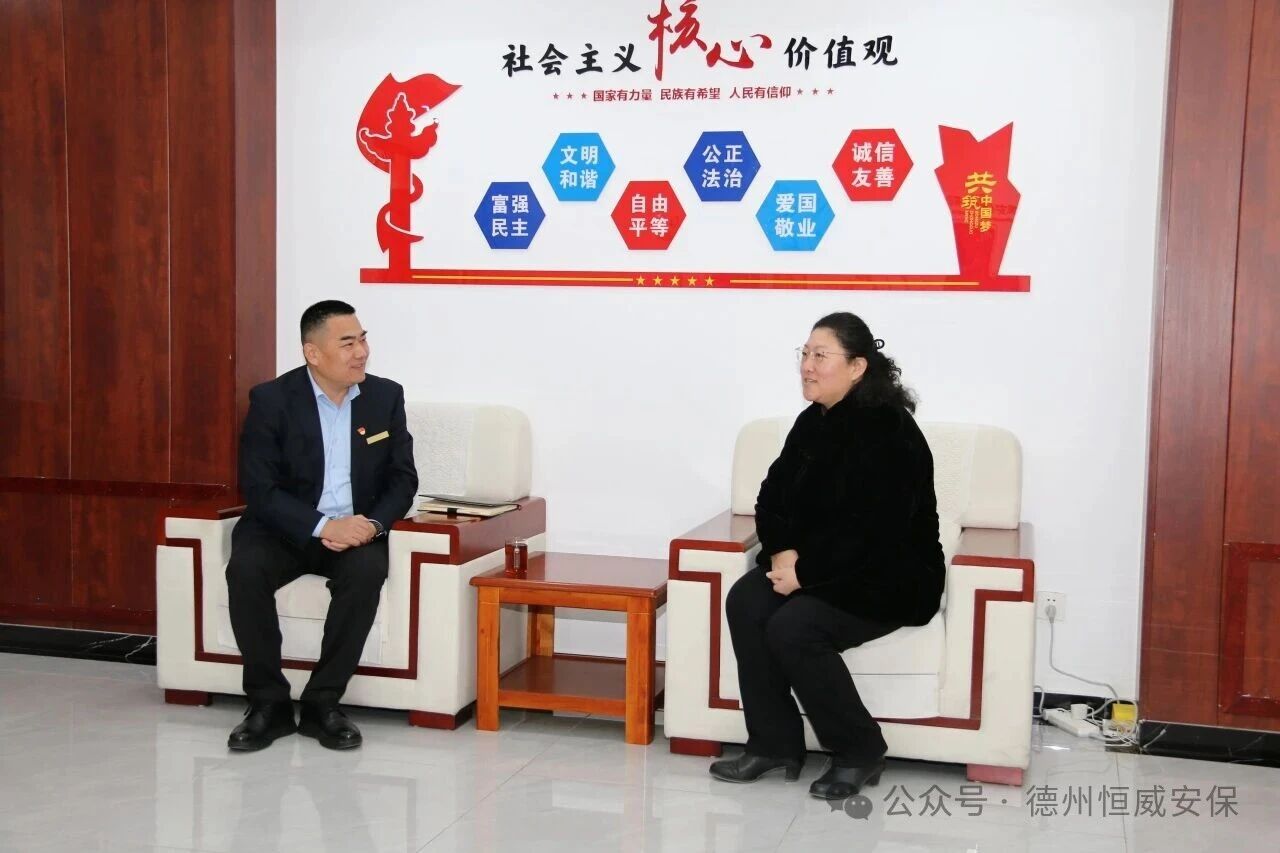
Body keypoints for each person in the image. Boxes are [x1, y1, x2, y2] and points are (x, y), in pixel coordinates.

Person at [709, 312, 944, 800]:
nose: (807, 366)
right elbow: (770, 498)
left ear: (857, 367)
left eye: (820, 356)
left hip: (888, 577)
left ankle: (860, 750)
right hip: (818, 567)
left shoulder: (890, 430)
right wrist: (781, 553)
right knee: (746, 601)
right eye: (805, 354)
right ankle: (774, 744)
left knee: (794, 627)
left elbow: (878, 533)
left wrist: (804, 574)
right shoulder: (811, 422)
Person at [225, 300, 417, 751]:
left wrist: (371, 525)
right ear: (313, 353)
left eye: (363, 339)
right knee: (246, 569)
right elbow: (260, 488)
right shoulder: (271, 400)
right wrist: (321, 526)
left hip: (356, 531)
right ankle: (268, 704)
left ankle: (322, 704)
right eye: (347, 343)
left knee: (366, 572)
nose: (361, 352)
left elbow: (403, 479)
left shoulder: (385, 397)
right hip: (285, 528)